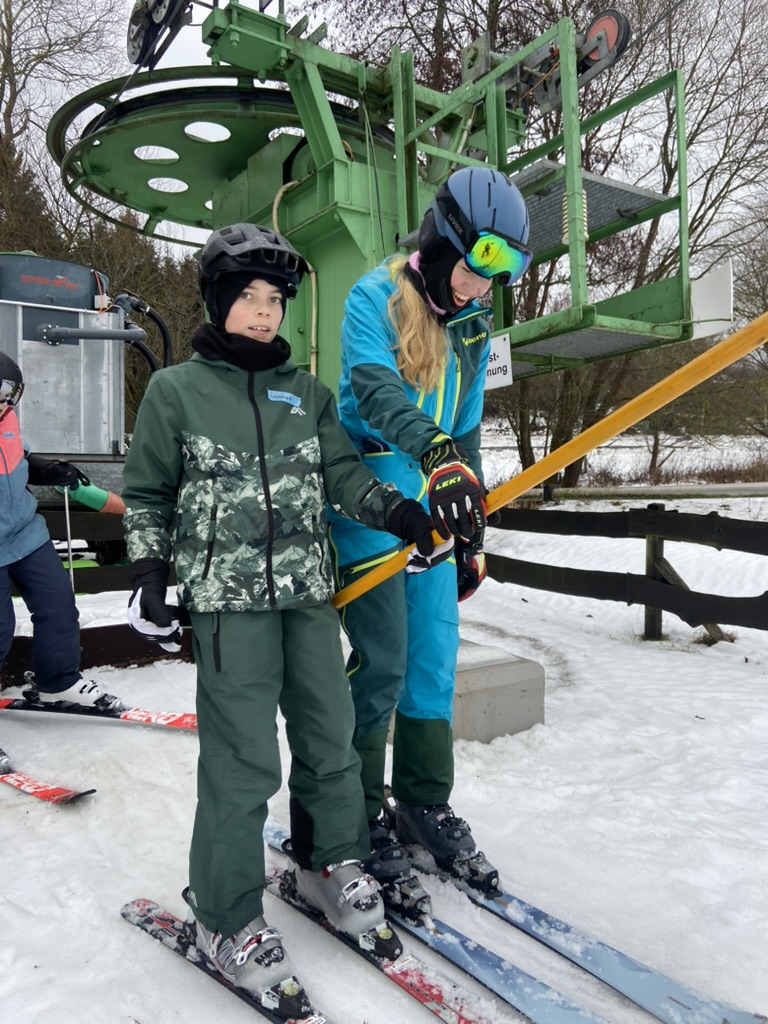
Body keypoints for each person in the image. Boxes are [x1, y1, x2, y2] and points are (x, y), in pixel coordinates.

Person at [121, 223, 443, 1014]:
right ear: (218, 301)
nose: (265, 315)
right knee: (240, 764)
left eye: (275, 302)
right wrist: (150, 572)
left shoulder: (308, 394)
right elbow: (151, 490)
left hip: (306, 595)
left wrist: (400, 512)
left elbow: (342, 474)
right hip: (229, 608)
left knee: (330, 739)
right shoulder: (176, 392)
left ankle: (328, 860)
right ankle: (225, 918)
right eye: (250, 300)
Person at [328, 166, 532, 916]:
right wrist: (433, 453)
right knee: (380, 660)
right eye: (484, 265)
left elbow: (470, 429)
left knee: (432, 657)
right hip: (376, 500)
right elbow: (376, 392)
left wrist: (468, 517)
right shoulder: (371, 297)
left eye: (505, 272)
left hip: (440, 509)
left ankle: (422, 802)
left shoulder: (474, 328)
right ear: (445, 239)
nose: (489, 286)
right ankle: (356, 809)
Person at [0, 351, 121, 708]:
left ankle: (59, 680)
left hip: (25, 535)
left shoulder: (7, 419)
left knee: (59, 608)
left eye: (10, 394)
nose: (3, 402)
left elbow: (17, 458)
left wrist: (49, 470)